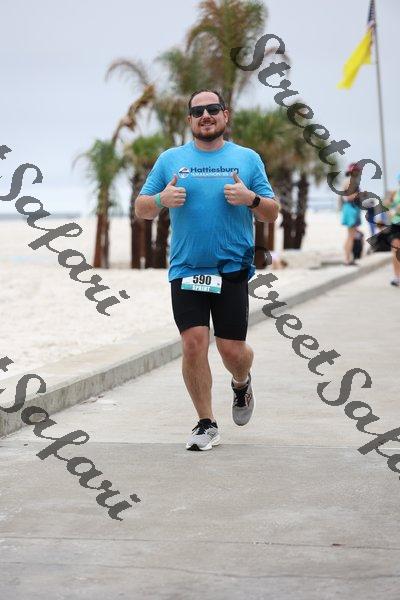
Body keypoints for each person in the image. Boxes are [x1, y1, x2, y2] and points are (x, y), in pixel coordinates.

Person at [135, 89, 279, 451]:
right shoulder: (171, 160)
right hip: (187, 269)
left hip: (231, 270)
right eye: (197, 111)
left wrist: (251, 199)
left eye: (213, 109)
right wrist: (161, 200)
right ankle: (206, 422)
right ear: (189, 120)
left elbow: (271, 212)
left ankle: (241, 382)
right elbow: (142, 207)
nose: (205, 116)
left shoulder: (247, 159)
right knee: (193, 343)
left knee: (232, 351)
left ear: (225, 115)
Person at [340, 163, 362, 265]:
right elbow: (348, 197)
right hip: (351, 209)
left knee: (350, 236)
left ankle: (348, 258)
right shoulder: (350, 181)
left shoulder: (349, 181)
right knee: (351, 236)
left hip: (350, 209)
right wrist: (359, 194)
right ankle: (347, 259)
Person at [384, 174, 400, 286]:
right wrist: (389, 206)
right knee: (395, 250)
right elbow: (387, 205)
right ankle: (397, 277)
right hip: (395, 224)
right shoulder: (395, 193)